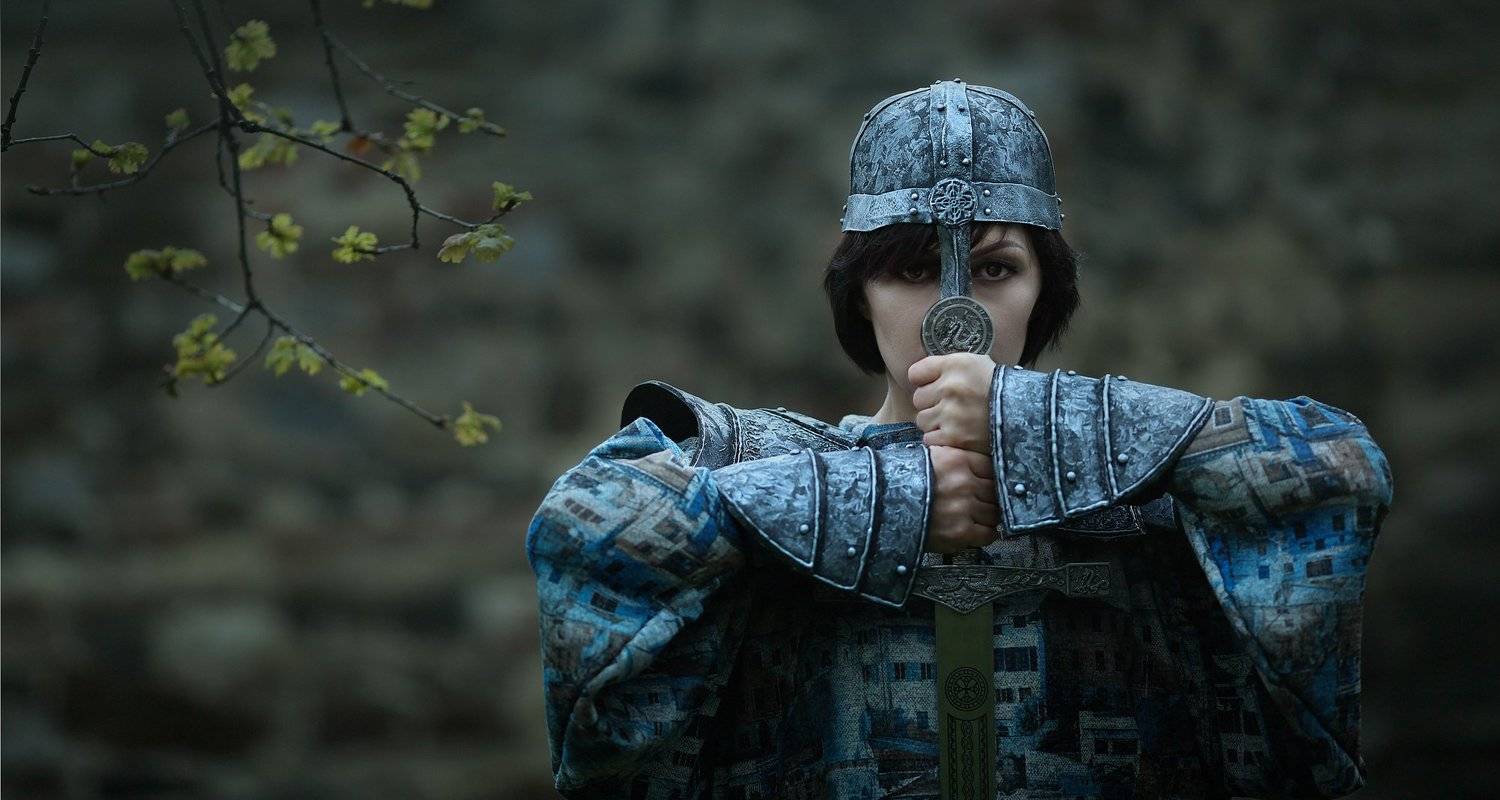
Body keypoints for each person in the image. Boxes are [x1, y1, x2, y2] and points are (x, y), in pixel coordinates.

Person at [525, 80, 1393, 799]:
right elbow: (581, 532)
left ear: (1044, 289)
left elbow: (1340, 470)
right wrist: (888, 501)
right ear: (859, 293)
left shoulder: (1143, 476)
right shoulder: (751, 460)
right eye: (911, 269)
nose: (955, 310)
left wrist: (1030, 421)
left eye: (995, 268)